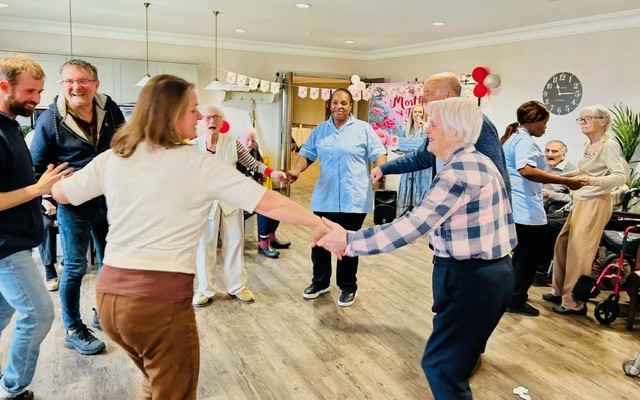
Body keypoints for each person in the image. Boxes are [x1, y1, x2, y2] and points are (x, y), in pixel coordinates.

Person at [51, 74, 327, 400]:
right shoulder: (197, 163)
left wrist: (48, 182)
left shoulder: (114, 157)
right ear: (170, 115)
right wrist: (319, 223)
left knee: (154, 383)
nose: (199, 118)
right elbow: (268, 201)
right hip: (158, 306)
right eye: (193, 110)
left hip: (110, 302)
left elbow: (63, 193)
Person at [318, 97, 516, 400]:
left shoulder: (457, 173)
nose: (427, 129)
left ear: (456, 131)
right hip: (492, 274)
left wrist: (348, 241)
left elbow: (410, 227)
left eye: (433, 124)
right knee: (453, 362)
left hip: (470, 279)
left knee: (441, 366)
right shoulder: (481, 162)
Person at [30, 58, 125, 355]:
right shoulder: (49, 120)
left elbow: (124, 145)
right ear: (61, 85)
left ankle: (103, 313)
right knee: (75, 266)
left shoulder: (110, 109)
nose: (76, 87)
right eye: (69, 81)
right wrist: (47, 198)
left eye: (83, 80)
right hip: (73, 202)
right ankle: (73, 328)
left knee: (111, 261)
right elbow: (36, 167)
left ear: (96, 84)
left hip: (109, 199)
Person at [0, 55, 72, 400]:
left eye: (40, 91)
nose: (36, 99)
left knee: (3, 313)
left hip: (16, 238)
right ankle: (11, 391)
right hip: (6, 247)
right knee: (39, 314)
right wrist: (37, 189)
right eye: (30, 91)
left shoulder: (13, 126)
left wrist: (35, 198)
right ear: (4, 87)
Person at [286, 88, 387, 307]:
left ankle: (348, 286)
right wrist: (295, 171)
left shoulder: (363, 129)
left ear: (351, 106)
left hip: (354, 199)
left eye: (343, 103)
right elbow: (306, 154)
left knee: (349, 244)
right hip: (326, 197)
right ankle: (320, 282)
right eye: (334, 103)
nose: (338, 107)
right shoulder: (321, 130)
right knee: (320, 242)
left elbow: (378, 152)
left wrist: (380, 168)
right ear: (330, 105)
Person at [190, 106, 287, 307]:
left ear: (221, 121)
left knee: (235, 243)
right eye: (208, 117)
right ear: (201, 121)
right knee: (205, 246)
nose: (211, 121)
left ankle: (237, 287)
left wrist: (272, 173)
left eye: (216, 117)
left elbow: (253, 163)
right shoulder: (192, 146)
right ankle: (205, 289)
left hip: (231, 201)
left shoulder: (232, 143)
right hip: (205, 204)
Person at [501, 100, 587, 317]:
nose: (545, 128)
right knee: (529, 255)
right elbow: (527, 171)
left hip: (518, 205)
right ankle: (516, 298)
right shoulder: (525, 142)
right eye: (544, 123)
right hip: (526, 209)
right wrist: (566, 182)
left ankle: (510, 293)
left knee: (521, 253)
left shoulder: (515, 137)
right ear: (532, 122)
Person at [370, 72, 511, 198]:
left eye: (429, 93)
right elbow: (421, 157)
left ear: (448, 95)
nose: (423, 98)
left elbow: (495, 172)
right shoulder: (441, 122)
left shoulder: (477, 123)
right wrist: (384, 168)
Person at [544, 105, 627, 315]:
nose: (582, 122)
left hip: (596, 202)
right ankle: (559, 290)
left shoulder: (609, 145)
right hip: (580, 201)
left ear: (602, 121)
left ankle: (574, 301)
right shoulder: (588, 144)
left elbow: (620, 177)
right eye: (580, 119)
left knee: (579, 252)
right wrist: (563, 177)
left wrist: (591, 180)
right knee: (562, 244)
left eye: (587, 118)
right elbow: (584, 169)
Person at [237, 127, 291, 259]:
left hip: (252, 192)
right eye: (247, 140)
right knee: (264, 205)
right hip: (237, 198)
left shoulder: (255, 152)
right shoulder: (233, 154)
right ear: (238, 140)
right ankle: (263, 244)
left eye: (253, 140)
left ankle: (271, 238)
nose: (250, 143)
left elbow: (260, 171)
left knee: (278, 200)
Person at [397, 103, 431, 215]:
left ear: (423, 114)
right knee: (409, 184)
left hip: (422, 165)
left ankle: (420, 212)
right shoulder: (405, 130)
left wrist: (424, 125)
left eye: (420, 112)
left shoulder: (427, 129)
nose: (417, 114)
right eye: (415, 112)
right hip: (409, 163)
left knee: (422, 185)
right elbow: (401, 146)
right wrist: (400, 150)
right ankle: (407, 210)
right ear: (411, 114)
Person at [542, 140, 577, 213]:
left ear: (563, 155)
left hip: (552, 208)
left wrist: (551, 195)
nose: (549, 154)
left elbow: (575, 198)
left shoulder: (571, 171)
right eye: (547, 150)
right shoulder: (541, 165)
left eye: (554, 151)